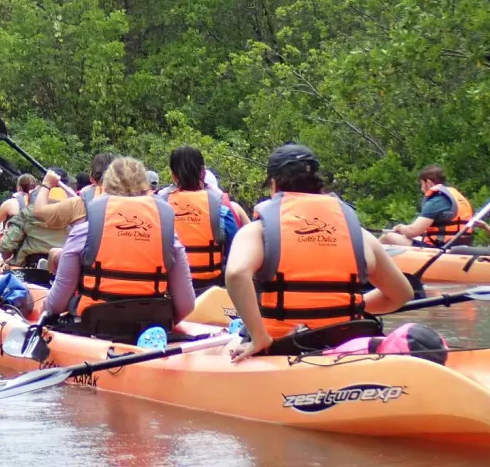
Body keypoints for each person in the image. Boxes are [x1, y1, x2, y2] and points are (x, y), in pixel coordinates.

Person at [225, 144, 413, 361]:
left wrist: (259, 337)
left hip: (283, 347)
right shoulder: (359, 235)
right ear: (317, 184)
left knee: (234, 337)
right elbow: (401, 294)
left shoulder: (258, 231)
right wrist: (345, 304)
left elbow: (236, 274)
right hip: (347, 344)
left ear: (274, 184)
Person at [44, 156, 196, 326]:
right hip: (150, 325)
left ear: (106, 186)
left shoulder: (84, 231)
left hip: (93, 326)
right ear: (146, 187)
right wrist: (167, 323)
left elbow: (57, 304)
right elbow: (186, 305)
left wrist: (44, 307)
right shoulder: (168, 235)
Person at [155, 146, 238, 289]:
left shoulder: (158, 206)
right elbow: (235, 251)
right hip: (210, 287)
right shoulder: (220, 208)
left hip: (169, 288)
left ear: (173, 175)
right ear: (203, 172)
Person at [379, 166, 473, 247]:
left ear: (428, 182)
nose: (422, 189)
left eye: (422, 184)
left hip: (440, 247)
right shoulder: (455, 196)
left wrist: (400, 228)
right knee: (408, 237)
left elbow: (413, 231)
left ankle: (365, 266)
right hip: (454, 244)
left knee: (387, 237)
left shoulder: (436, 200)